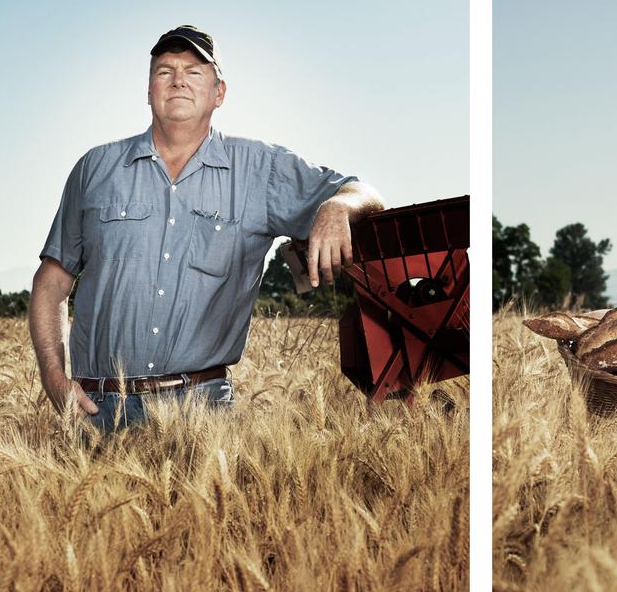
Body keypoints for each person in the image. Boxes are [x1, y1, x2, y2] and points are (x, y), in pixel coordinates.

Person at [29, 25, 384, 433]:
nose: (178, 79)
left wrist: (338, 206)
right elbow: (51, 282)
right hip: (97, 410)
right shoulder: (95, 168)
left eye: (194, 71)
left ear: (219, 93)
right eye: (164, 70)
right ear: (149, 90)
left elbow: (364, 192)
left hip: (201, 416)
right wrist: (54, 380)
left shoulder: (259, 170)